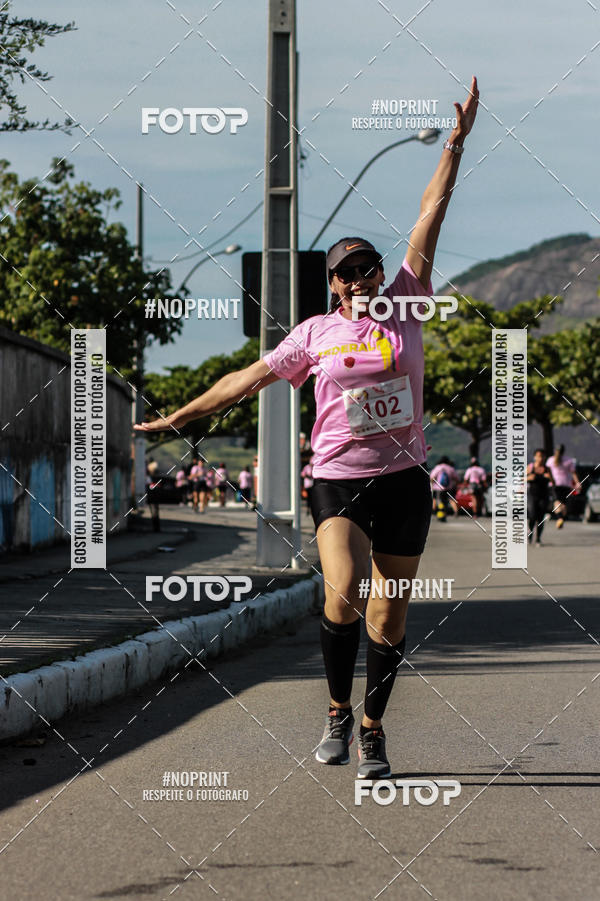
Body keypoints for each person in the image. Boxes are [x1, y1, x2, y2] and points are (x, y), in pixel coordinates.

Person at [134, 77, 479, 779]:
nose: (361, 277)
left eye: (368, 266)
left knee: (390, 616)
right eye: (347, 272)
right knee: (344, 586)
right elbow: (245, 380)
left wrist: (456, 142)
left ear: (383, 273)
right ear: (333, 285)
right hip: (338, 478)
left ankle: (374, 728)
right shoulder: (314, 333)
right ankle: (335, 711)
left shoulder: (409, 301)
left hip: (405, 478)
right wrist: (180, 415)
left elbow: (431, 209)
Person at [546, 445, 580, 529]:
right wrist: (577, 483)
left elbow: (548, 472)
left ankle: (559, 518)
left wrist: (550, 479)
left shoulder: (550, 460)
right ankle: (561, 519)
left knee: (557, 502)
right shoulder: (569, 460)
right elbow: (573, 473)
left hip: (555, 484)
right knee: (563, 504)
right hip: (566, 484)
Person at [527, 449, 553, 545]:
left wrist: (549, 477)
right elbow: (521, 478)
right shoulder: (530, 467)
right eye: (538, 456)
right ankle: (530, 535)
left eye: (542, 456)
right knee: (533, 515)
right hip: (532, 495)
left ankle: (538, 538)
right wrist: (528, 478)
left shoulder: (547, 469)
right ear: (535, 457)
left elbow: (553, 482)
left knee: (541, 517)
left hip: (543, 495)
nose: (540, 458)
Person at [429, 456, 458, 520]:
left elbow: (432, 477)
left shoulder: (438, 467)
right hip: (448, 488)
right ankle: (444, 515)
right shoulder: (450, 468)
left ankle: (440, 514)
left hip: (438, 488)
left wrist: (433, 483)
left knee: (439, 501)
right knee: (446, 502)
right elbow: (456, 478)